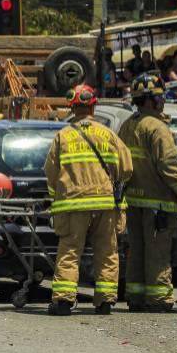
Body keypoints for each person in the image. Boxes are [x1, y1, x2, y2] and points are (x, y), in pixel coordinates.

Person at [44, 84, 133, 316]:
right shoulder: (109, 134)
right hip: (105, 204)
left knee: (70, 251)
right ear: (93, 107)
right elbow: (126, 168)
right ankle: (104, 301)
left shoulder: (62, 136)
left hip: (73, 205)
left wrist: (57, 195)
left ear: (72, 107)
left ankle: (63, 301)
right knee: (107, 252)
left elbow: (51, 172)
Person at [118, 74, 177, 313]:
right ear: (149, 101)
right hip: (159, 204)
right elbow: (168, 165)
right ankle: (159, 299)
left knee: (137, 250)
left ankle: (136, 296)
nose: (162, 101)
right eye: (159, 97)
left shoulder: (128, 125)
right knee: (158, 251)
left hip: (135, 202)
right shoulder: (158, 128)